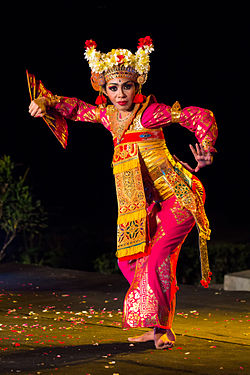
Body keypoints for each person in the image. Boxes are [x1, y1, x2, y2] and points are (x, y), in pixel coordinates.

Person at [28, 36, 218, 349]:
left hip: (180, 195)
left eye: (126, 87)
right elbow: (77, 110)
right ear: (104, 88)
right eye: (113, 88)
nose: (120, 94)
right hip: (144, 204)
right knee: (129, 262)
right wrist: (46, 102)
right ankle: (152, 318)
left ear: (136, 85)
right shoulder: (110, 117)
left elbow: (199, 116)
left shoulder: (151, 113)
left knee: (158, 257)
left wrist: (207, 149)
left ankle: (162, 329)